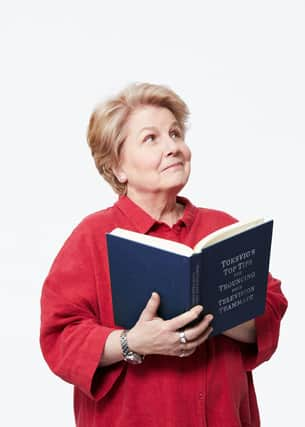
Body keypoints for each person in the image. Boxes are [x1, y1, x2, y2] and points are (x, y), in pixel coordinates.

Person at [40, 83, 287, 427]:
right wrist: (132, 342)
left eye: (175, 133)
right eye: (151, 138)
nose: (173, 147)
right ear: (118, 167)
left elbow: (271, 307)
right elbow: (61, 338)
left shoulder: (223, 227)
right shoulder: (92, 237)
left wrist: (222, 311)